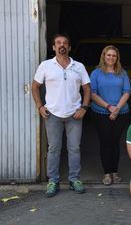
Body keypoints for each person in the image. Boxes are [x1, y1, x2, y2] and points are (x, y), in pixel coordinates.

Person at [31, 33, 91, 197]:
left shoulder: (78, 66)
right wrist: (40, 106)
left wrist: (84, 108)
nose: (61, 45)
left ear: (69, 47)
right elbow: (35, 86)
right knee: (54, 149)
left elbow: (87, 89)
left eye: (65, 43)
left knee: (74, 148)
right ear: (53, 47)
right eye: (58, 43)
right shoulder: (45, 66)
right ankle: (53, 181)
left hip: (74, 114)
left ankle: (74, 179)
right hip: (53, 114)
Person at [90, 45, 131, 186]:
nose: (111, 58)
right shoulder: (96, 73)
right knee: (105, 142)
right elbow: (92, 94)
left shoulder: (122, 73)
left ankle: (115, 172)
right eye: (109, 55)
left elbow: (127, 91)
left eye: (114, 56)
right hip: (101, 112)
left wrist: (117, 108)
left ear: (117, 58)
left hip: (121, 113)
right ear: (104, 56)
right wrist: (109, 107)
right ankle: (107, 173)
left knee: (115, 142)